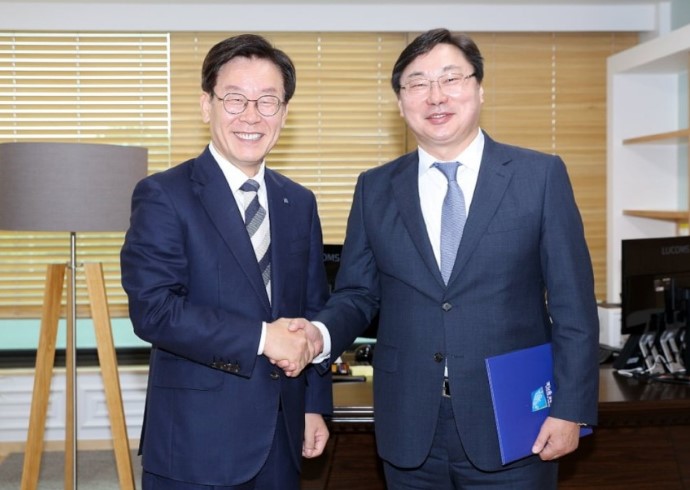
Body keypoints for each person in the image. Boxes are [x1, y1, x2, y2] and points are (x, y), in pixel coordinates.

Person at [287, 28, 599, 489]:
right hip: (410, 425)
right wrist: (320, 334)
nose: (435, 96)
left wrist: (570, 408)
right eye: (417, 83)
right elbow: (357, 293)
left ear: (479, 88)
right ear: (400, 102)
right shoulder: (375, 188)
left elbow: (574, 306)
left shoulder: (539, 176)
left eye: (451, 79)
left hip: (515, 422)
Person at [120, 33, 331, 490]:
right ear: (207, 105)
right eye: (235, 99)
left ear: (284, 113)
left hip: (282, 434)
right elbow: (154, 310)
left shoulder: (299, 201)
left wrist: (314, 403)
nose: (251, 116)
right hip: (196, 442)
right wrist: (263, 338)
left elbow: (313, 309)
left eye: (268, 101)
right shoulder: (163, 195)